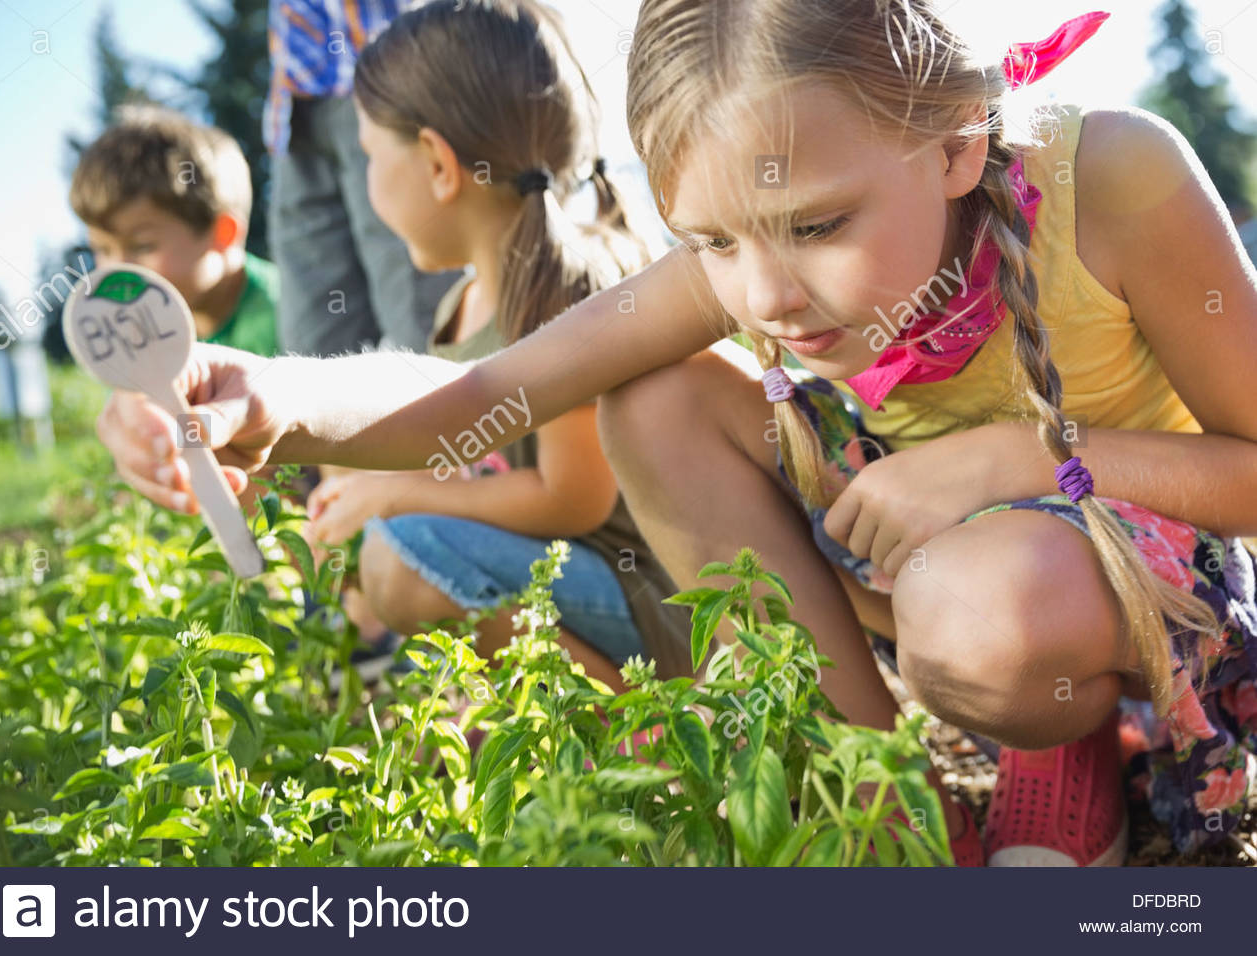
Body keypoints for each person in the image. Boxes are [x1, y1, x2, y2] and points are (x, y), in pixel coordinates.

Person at [94, 1, 1257, 868]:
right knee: (652, 399)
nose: (767, 295)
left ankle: (1069, 753)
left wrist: (1022, 459)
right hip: (928, 560)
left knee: (976, 601)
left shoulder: (1110, 174)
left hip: (1112, 578)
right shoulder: (757, 260)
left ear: (954, 142)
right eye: (713, 243)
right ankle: (895, 812)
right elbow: (490, 390)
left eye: (817, 224)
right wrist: (274, 402)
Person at [297, 0, 692, 690]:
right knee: (387, 547)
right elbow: (471, 473)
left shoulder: (564, 292)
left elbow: (574, 502)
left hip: (645, 606)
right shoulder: (458, 306)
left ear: (438, 164)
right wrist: (370, 485)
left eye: (367, 154)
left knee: (402, 558)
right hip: (562, 585)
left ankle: (644, 731)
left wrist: (398, 499)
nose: (363, 176)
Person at [266, 0, 461, 357]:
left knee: (422, 333)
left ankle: (451, 412)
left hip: (390, 81)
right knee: (314, 352)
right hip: (295, 102)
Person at [70, 104, 279, 358]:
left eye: (142, 246)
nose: (120, 271)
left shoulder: (292, 318)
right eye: (103, 249)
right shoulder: (137, 338)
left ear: (224, 233)